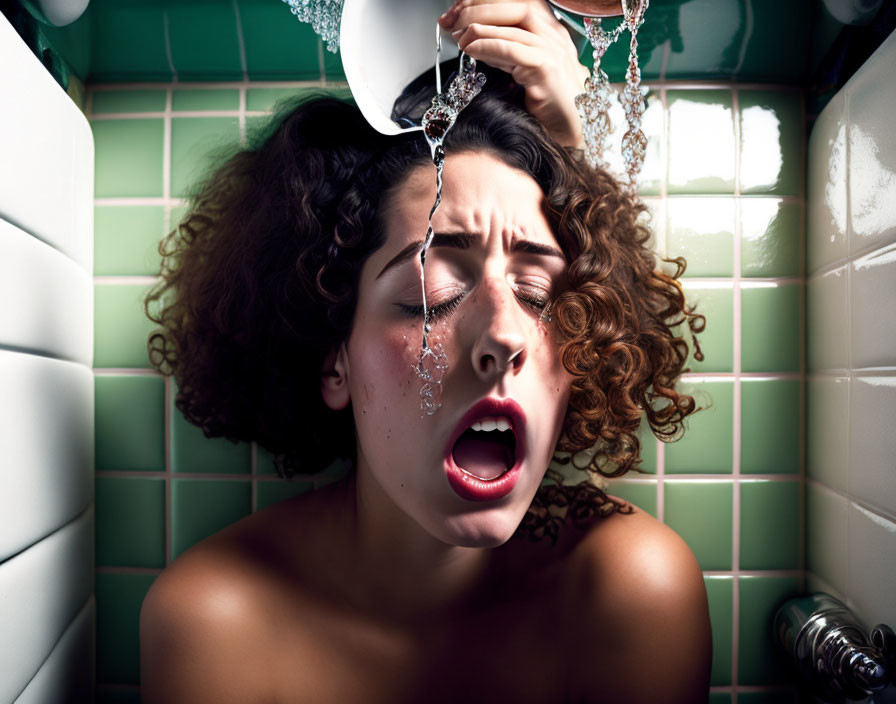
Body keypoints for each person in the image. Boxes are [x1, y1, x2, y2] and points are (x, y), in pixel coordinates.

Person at [139, 1, 711, 701]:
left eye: (537, 291)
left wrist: (574, 147)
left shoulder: (628, 593)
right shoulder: (216, 624)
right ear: (332, 359)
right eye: (431, 292)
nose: (503, 334)